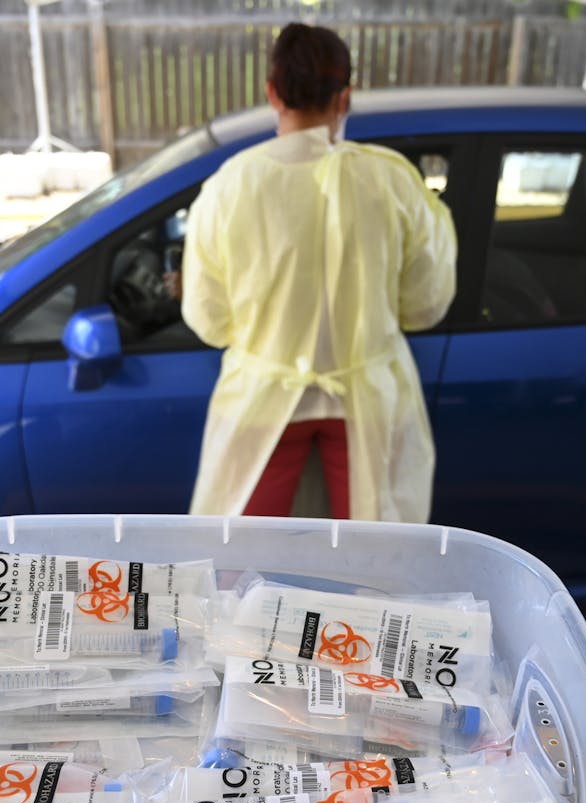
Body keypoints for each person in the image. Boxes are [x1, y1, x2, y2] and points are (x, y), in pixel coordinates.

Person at [180, 23, 457, 522]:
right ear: (345, 97)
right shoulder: (392, 179)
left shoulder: (230, 186)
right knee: (373, 570)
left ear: (271, 92)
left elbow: (208, 320)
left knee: (242, 564)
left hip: (262, 399)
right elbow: (426, 304)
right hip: (366, 403)